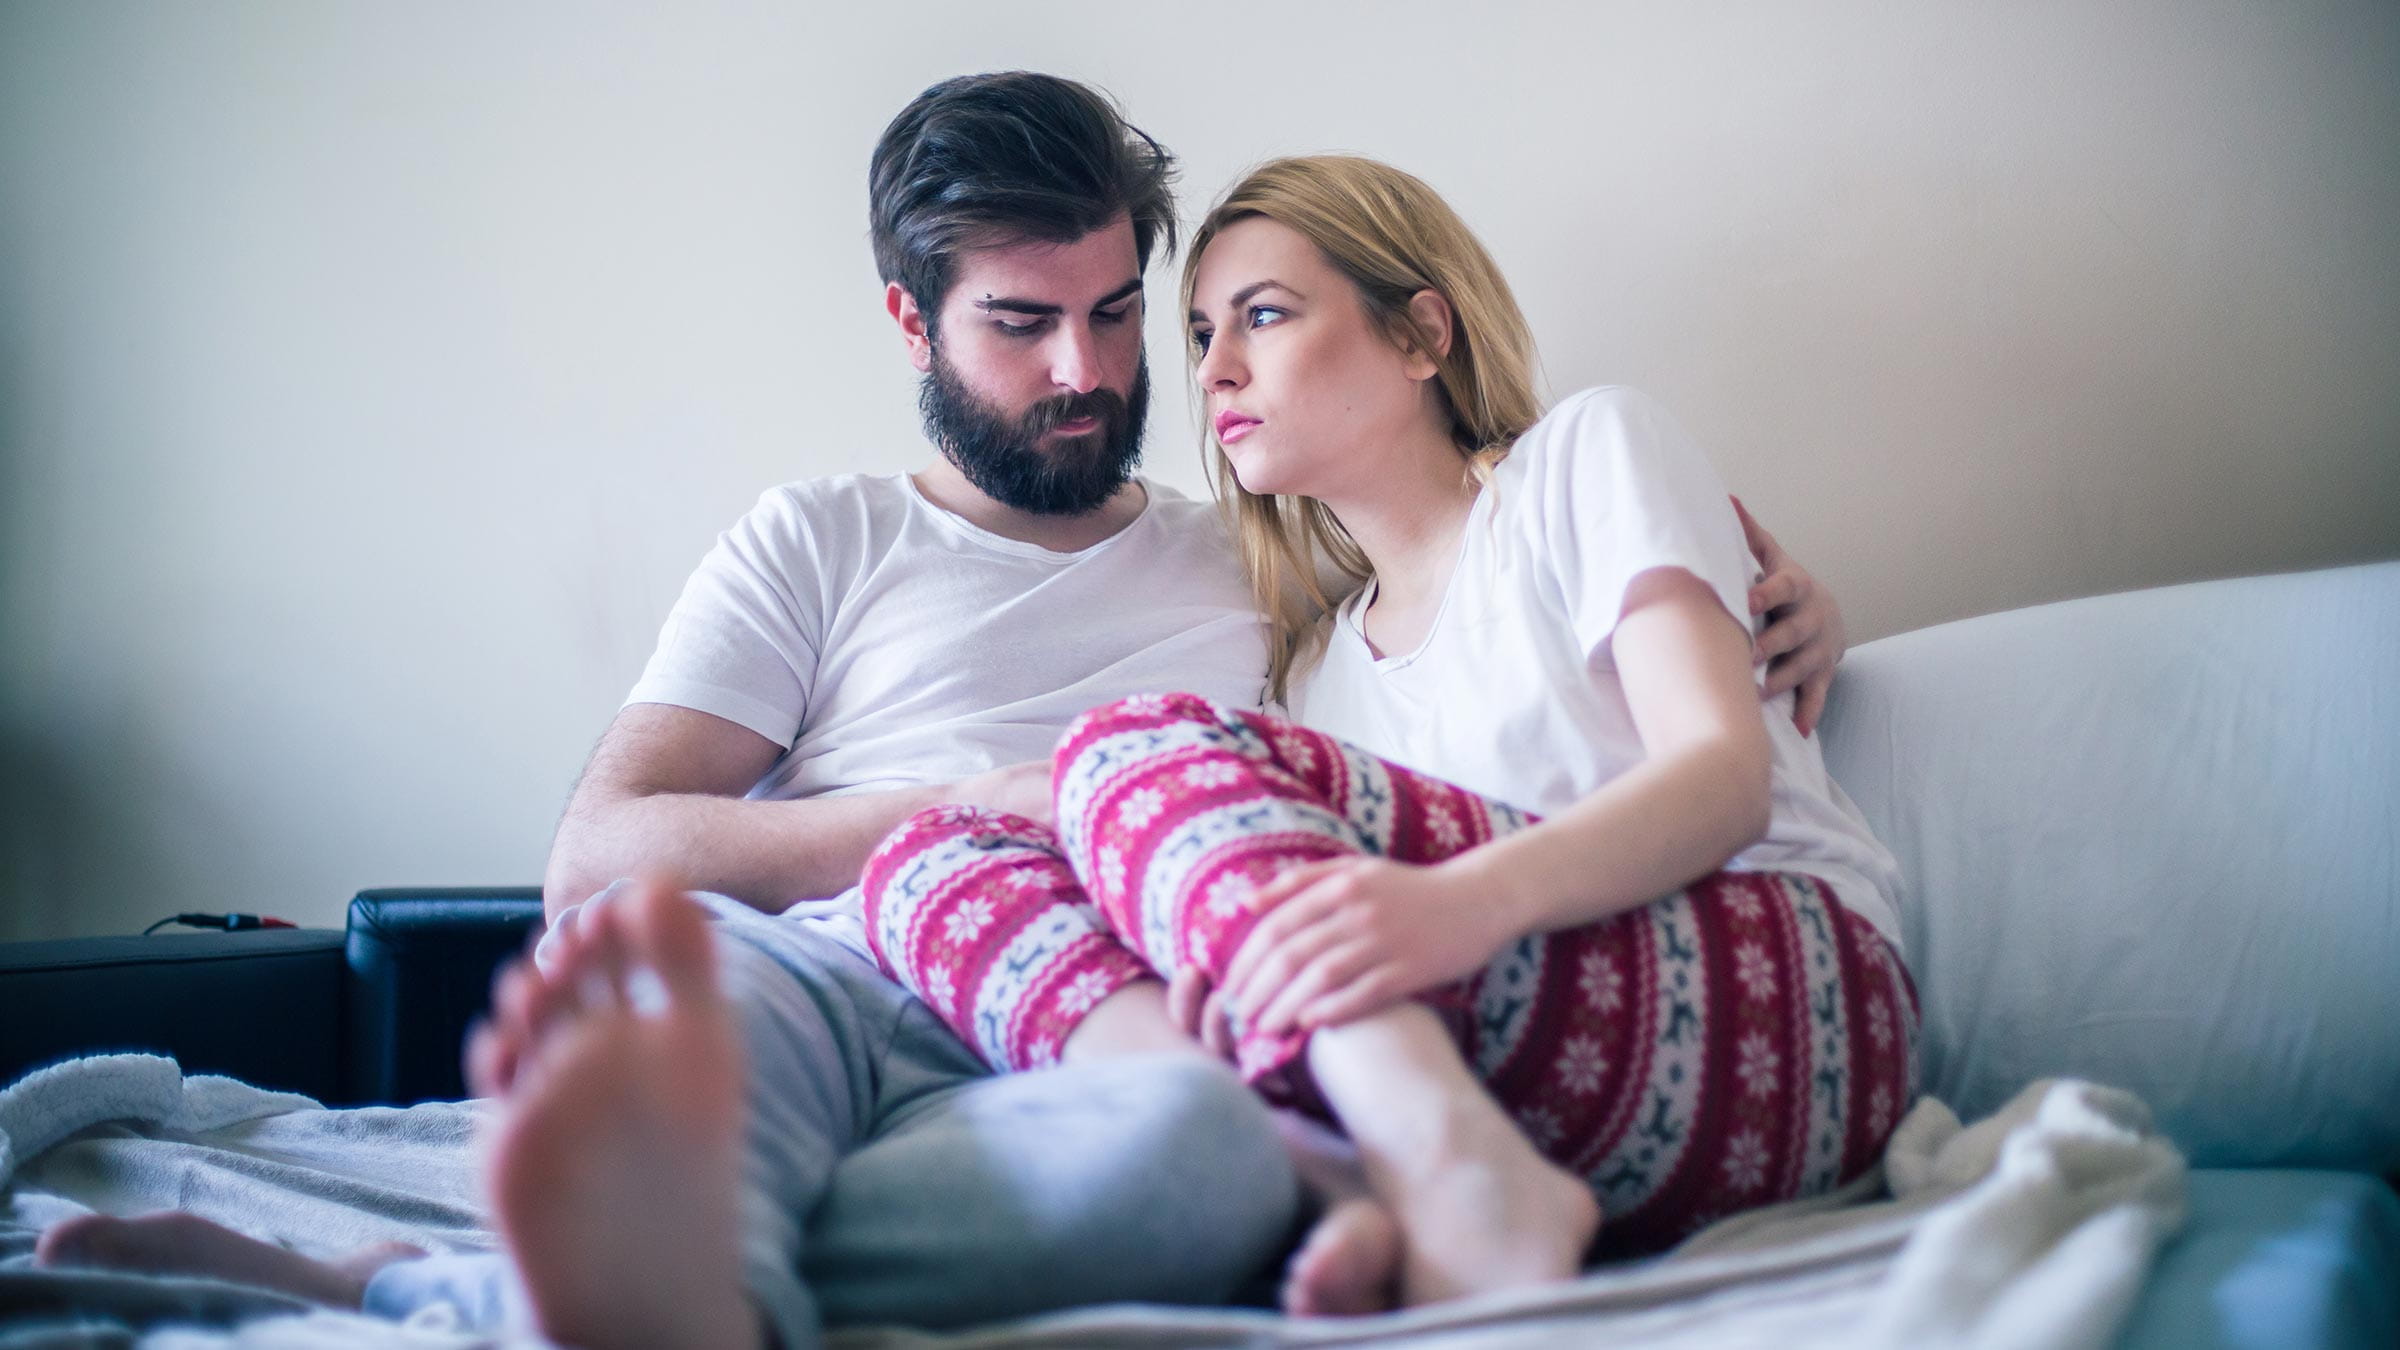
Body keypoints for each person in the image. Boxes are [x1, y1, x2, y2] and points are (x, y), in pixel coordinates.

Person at [31, 79, 1848, 1348]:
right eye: (1021, 322)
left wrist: (1790, 593)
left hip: (1116, 1023)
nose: (1099, 373)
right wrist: (983, 801)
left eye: (1122, 313)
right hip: (832, 965)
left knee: (1210, 1167)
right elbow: (600, 859)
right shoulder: (819, 537)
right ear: (909, 316)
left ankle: (472, 1297)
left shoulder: (1276, 566)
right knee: (713, 1047)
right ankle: (619, 1267)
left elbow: (1515, 596)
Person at [858, 154, 1915, 1312]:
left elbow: (1726, 781)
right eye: (1203, 332)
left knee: (1130, 745)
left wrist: (1447, 910)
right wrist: (1241, 953)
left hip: (1795, 1002)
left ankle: (1448, 1165)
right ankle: (1337, 1178)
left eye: (1262, 315)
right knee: (931, 860)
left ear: (1421, 336)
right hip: (1528, 1065)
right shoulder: (1310, 673)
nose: (1213, 370)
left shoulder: (1584, 459)